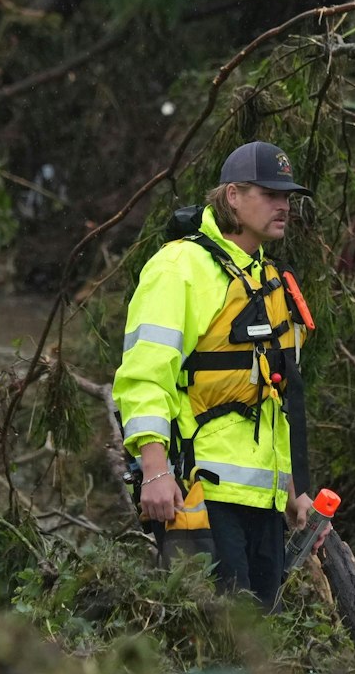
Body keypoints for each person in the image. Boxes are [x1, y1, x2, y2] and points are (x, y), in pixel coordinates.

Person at [113, 140, 317, 607]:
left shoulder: (265, 278)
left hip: (262, 503)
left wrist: (290, 491)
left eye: (287, 195)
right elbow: (144, 376)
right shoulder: (180, 267)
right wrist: (154, 470)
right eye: (269, 193)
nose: (283, 204)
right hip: (199, 494)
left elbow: (273, 399)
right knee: (215, 641)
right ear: (232, 196)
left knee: (257, 640)